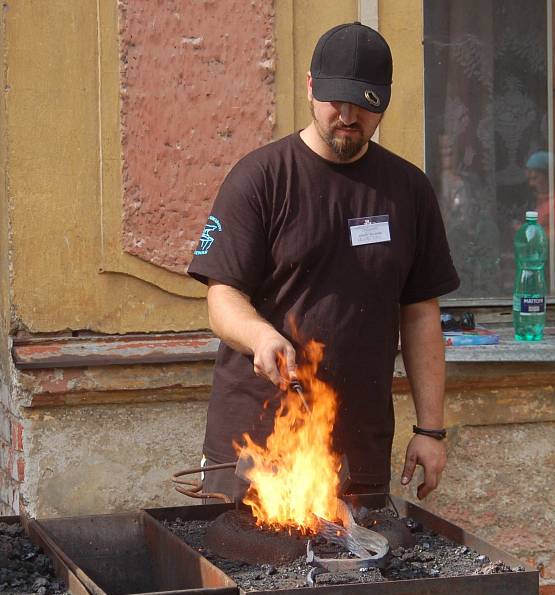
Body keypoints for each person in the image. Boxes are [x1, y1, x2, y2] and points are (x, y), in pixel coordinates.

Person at [187, 22, 460, 503]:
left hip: (359, 449)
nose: (349, 116)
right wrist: (260, 335)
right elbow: (222, 297)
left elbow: (420, 314)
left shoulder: (409, 190)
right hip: (257, 444)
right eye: (337, 100)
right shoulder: (260, 179)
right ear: (311, 88)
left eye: (366, 103)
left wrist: (431, 429)